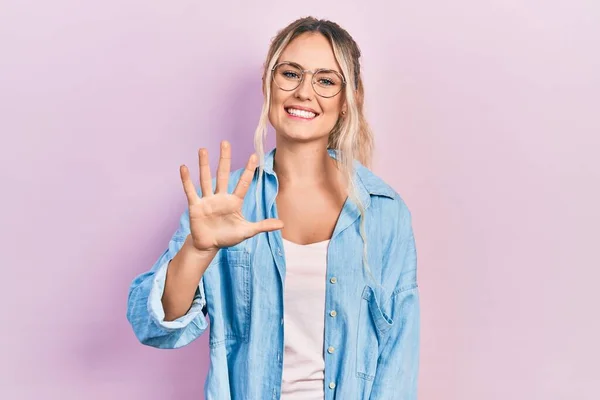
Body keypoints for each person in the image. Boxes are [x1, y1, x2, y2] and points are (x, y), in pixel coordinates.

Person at [127, 16, 419, 400]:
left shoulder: (384, 211)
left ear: (350, 100)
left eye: (326, 80)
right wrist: (198, 250)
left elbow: (399, 357)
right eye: (291, 73)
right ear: (269, 83)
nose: (304, 92)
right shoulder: (223, 201)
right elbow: (154, 327)